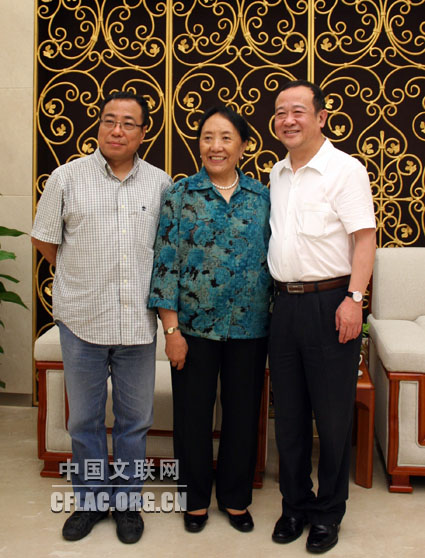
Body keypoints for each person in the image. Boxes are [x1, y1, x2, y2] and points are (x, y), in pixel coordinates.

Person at [31, 91, 172, 544]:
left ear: (143, 133)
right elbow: (45, 240)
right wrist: (82, 276)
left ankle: (127, 505)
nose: (117, 130)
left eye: (128, 123)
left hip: (137, 326)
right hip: (82, 322)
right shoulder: (66, 178)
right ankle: (91, 502)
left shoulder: (160, 183)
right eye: (109, 120)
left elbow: (166, 250)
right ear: (98, 126)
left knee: (134, 421)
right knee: (84, 422)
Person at [148, 106, 272, 534]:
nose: (215, 146)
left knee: (243, 416)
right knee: (192, 418)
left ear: (243, 146)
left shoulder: (262, 197)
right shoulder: (180, 194)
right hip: (193, 330)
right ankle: (195, 500)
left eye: (225, 138)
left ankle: (236, 499)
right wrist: (171, 330)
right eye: (207, 137)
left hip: (250, 328)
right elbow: (165, 265)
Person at [268, 80, 376, 553]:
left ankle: (329, 513)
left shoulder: (344, 170)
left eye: (298, 110)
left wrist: (355, 299)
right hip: (283, 306)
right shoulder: (276, 173)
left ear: (320, 117)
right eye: (280, 112)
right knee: (288, 416)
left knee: (331, 419)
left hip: (331, 303)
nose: (288, 120)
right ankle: (295, 505)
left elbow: (365, 238)